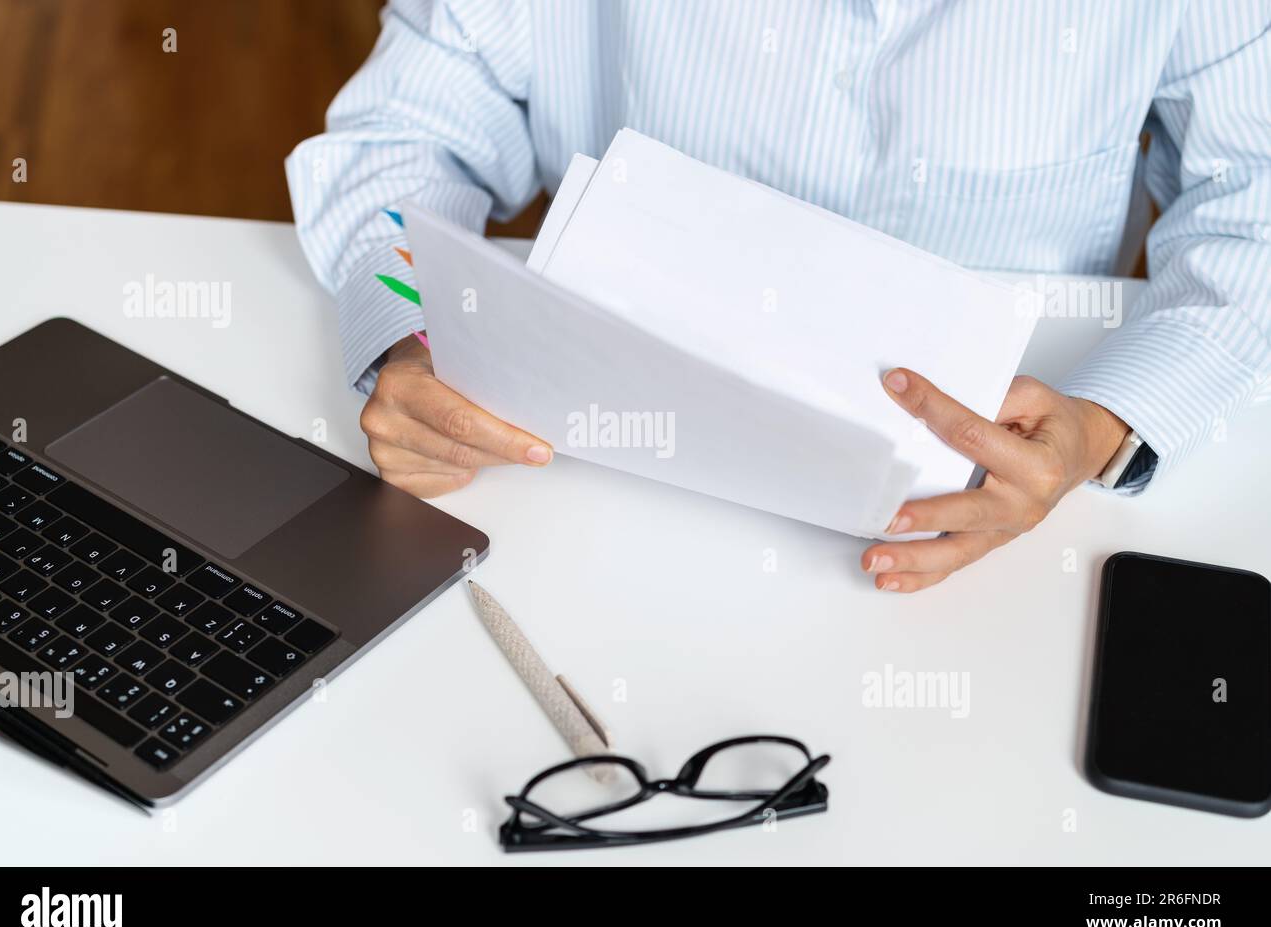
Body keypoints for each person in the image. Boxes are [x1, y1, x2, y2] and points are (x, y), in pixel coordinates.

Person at [287, 0, 1270, 593]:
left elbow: (1252, 204)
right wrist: (409, 341)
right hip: (582, 507)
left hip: (993, 555)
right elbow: (397, 145)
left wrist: (1100, 428)